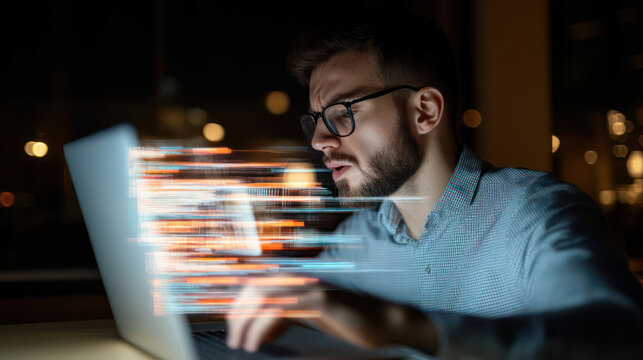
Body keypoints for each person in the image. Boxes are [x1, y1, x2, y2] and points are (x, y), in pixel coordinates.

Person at [225, 9, 643, 359]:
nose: (319, 140)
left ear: (424, 111)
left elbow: (621, 334)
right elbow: (288, 298)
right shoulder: (360, 241)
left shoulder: (535, 215)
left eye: (340, 113)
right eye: (315, 121)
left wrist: (398, 325)